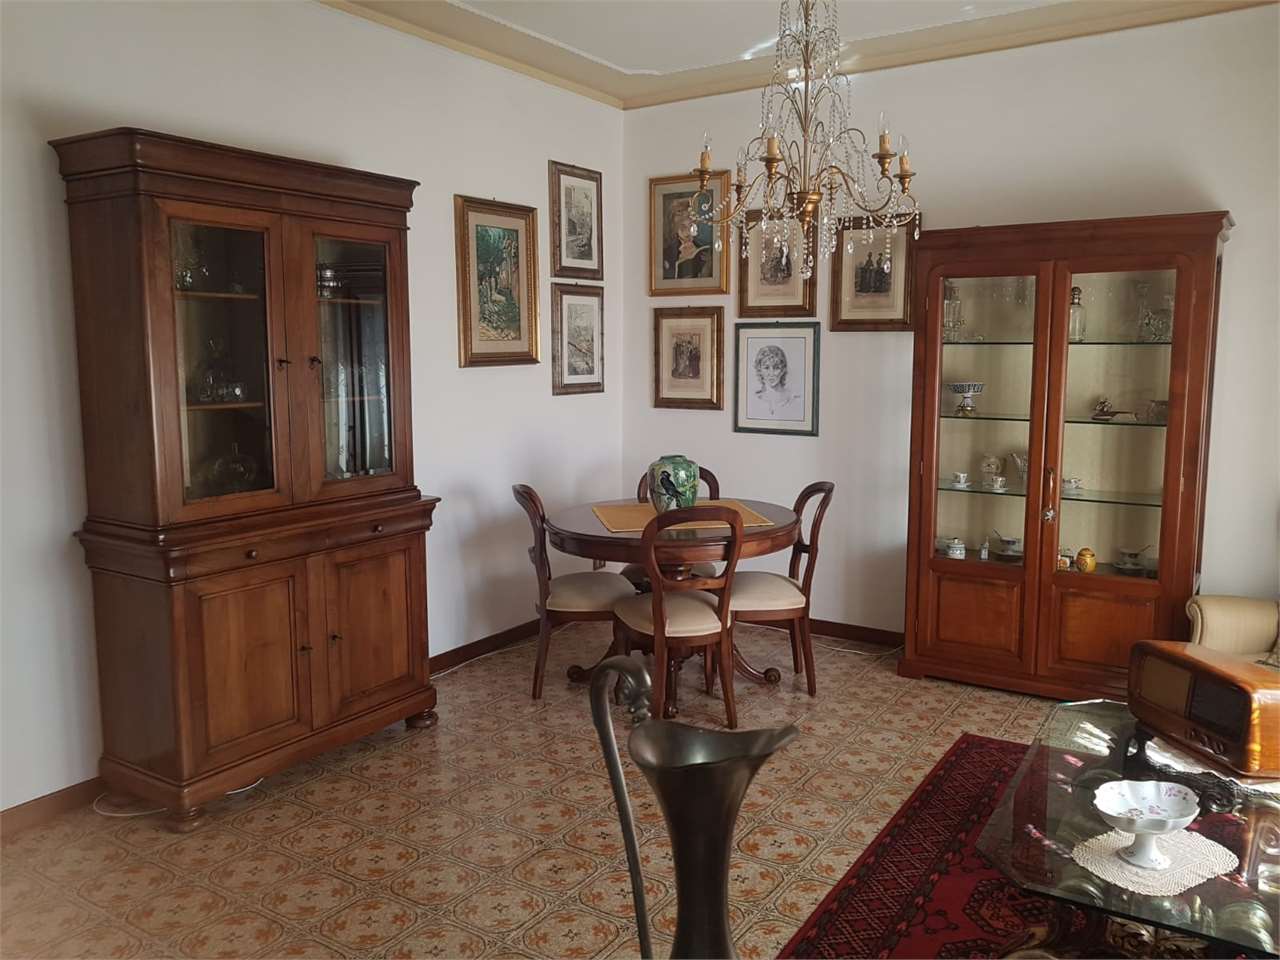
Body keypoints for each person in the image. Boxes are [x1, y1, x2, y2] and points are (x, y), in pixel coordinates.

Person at [749, 343, 803, 420]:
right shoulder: (753, 400)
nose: (771, 373)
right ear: (759, 370)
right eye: (766, 368)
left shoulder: (794, 399)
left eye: (776, 368)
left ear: (783, 370)